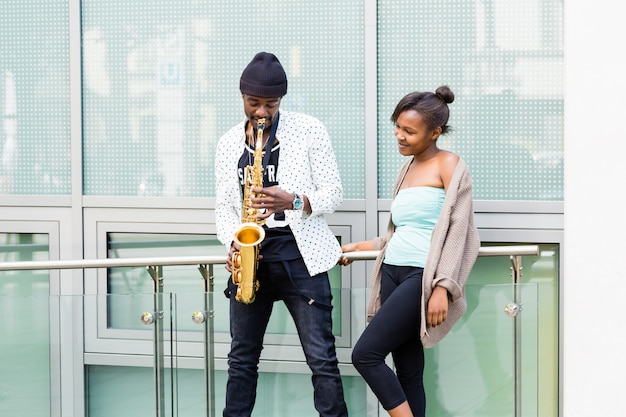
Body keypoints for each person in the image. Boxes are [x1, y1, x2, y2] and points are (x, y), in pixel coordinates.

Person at [214, 52, 349, 417]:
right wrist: (232, 241)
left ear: (282, 100)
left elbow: (334, 192)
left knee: (321, 359)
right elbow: (223, 207)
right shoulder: (228, 143)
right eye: (253, 102)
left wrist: (294, 200)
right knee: (241, 360)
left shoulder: (309, 130)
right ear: (241, 96)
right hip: (251, 254)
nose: (261, 111)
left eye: (270, 104)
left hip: (298, 252)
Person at [339, 86, 480, 417]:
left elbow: (461, 231)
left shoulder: (450, 164)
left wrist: (442, 287)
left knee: (366, 354)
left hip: (420, 277)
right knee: (408, 372)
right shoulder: (407, 168)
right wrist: (356, 248)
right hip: (392, 271)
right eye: (397, 126)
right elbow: (399, 232)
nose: (398, 136)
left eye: (409, 131)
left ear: (435, 132)